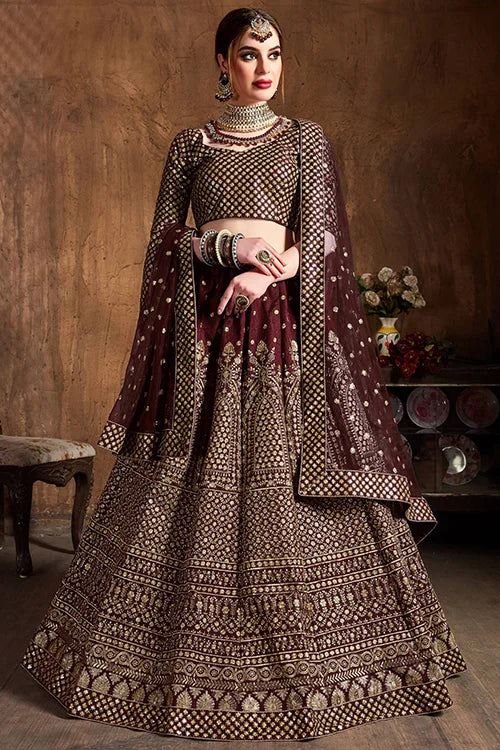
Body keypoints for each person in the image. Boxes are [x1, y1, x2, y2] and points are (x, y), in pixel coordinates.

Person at [21, 7, 467, 742]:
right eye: (250, 54)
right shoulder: (191, 145)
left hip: (282, 332)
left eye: (275, 54)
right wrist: (224, 253)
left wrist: (266, 274)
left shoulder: (304, 140)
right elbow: (165, 241)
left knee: (288, 468)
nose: (265, 67)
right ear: (222, 63)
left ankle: (331, 661)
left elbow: (323, 236)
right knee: (186, 471)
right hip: (204, 335)